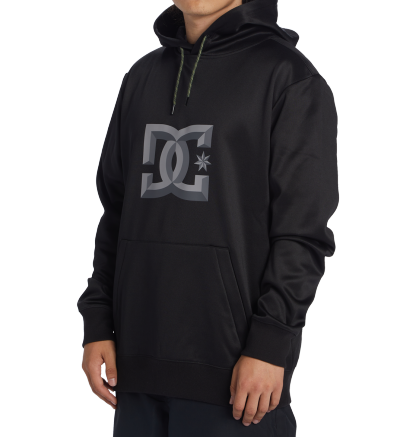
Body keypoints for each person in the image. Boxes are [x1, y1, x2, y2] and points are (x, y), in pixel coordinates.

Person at [77, 0, 339, 435]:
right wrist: (98, 321)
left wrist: (271, 343)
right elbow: (116, 212)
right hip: (136, 368)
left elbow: (303, 232)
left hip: (237, 380)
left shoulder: (290, 78)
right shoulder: (141, 77)